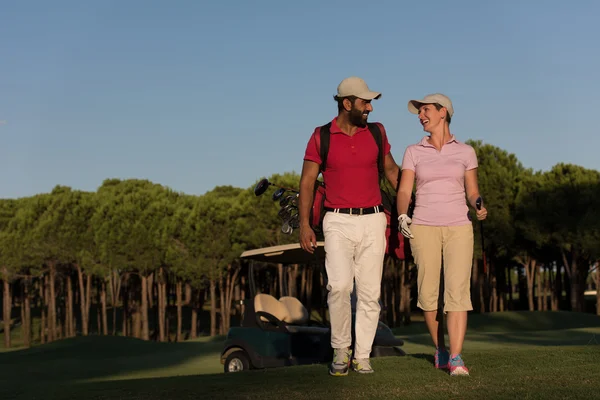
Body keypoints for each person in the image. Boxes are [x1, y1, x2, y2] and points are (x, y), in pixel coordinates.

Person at [298, 77, 400, 376]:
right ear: (347, 104)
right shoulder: (321, 136)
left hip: (373, 219)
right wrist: (305, 225)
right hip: (337, 220)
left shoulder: (377, 132)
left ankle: (363, 355)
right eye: (364, 102)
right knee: (339, 286)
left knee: (370, 293)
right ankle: (341, 349)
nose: (370, 107)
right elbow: (306, 183)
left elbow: (392, 171)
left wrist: (414, 204)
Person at [396, 93, 487, 376]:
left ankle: (457, 358)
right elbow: (403, 190)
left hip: (459, 226)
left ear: (442, 112)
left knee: (458, 292)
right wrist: (402, 214)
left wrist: (479, 205)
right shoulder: (413, 151)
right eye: (419, 112)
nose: (421, 115)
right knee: (428, 294)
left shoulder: (465, 151)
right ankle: (441, 350)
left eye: (425, 110)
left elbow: (472, 191)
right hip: (423, 227)